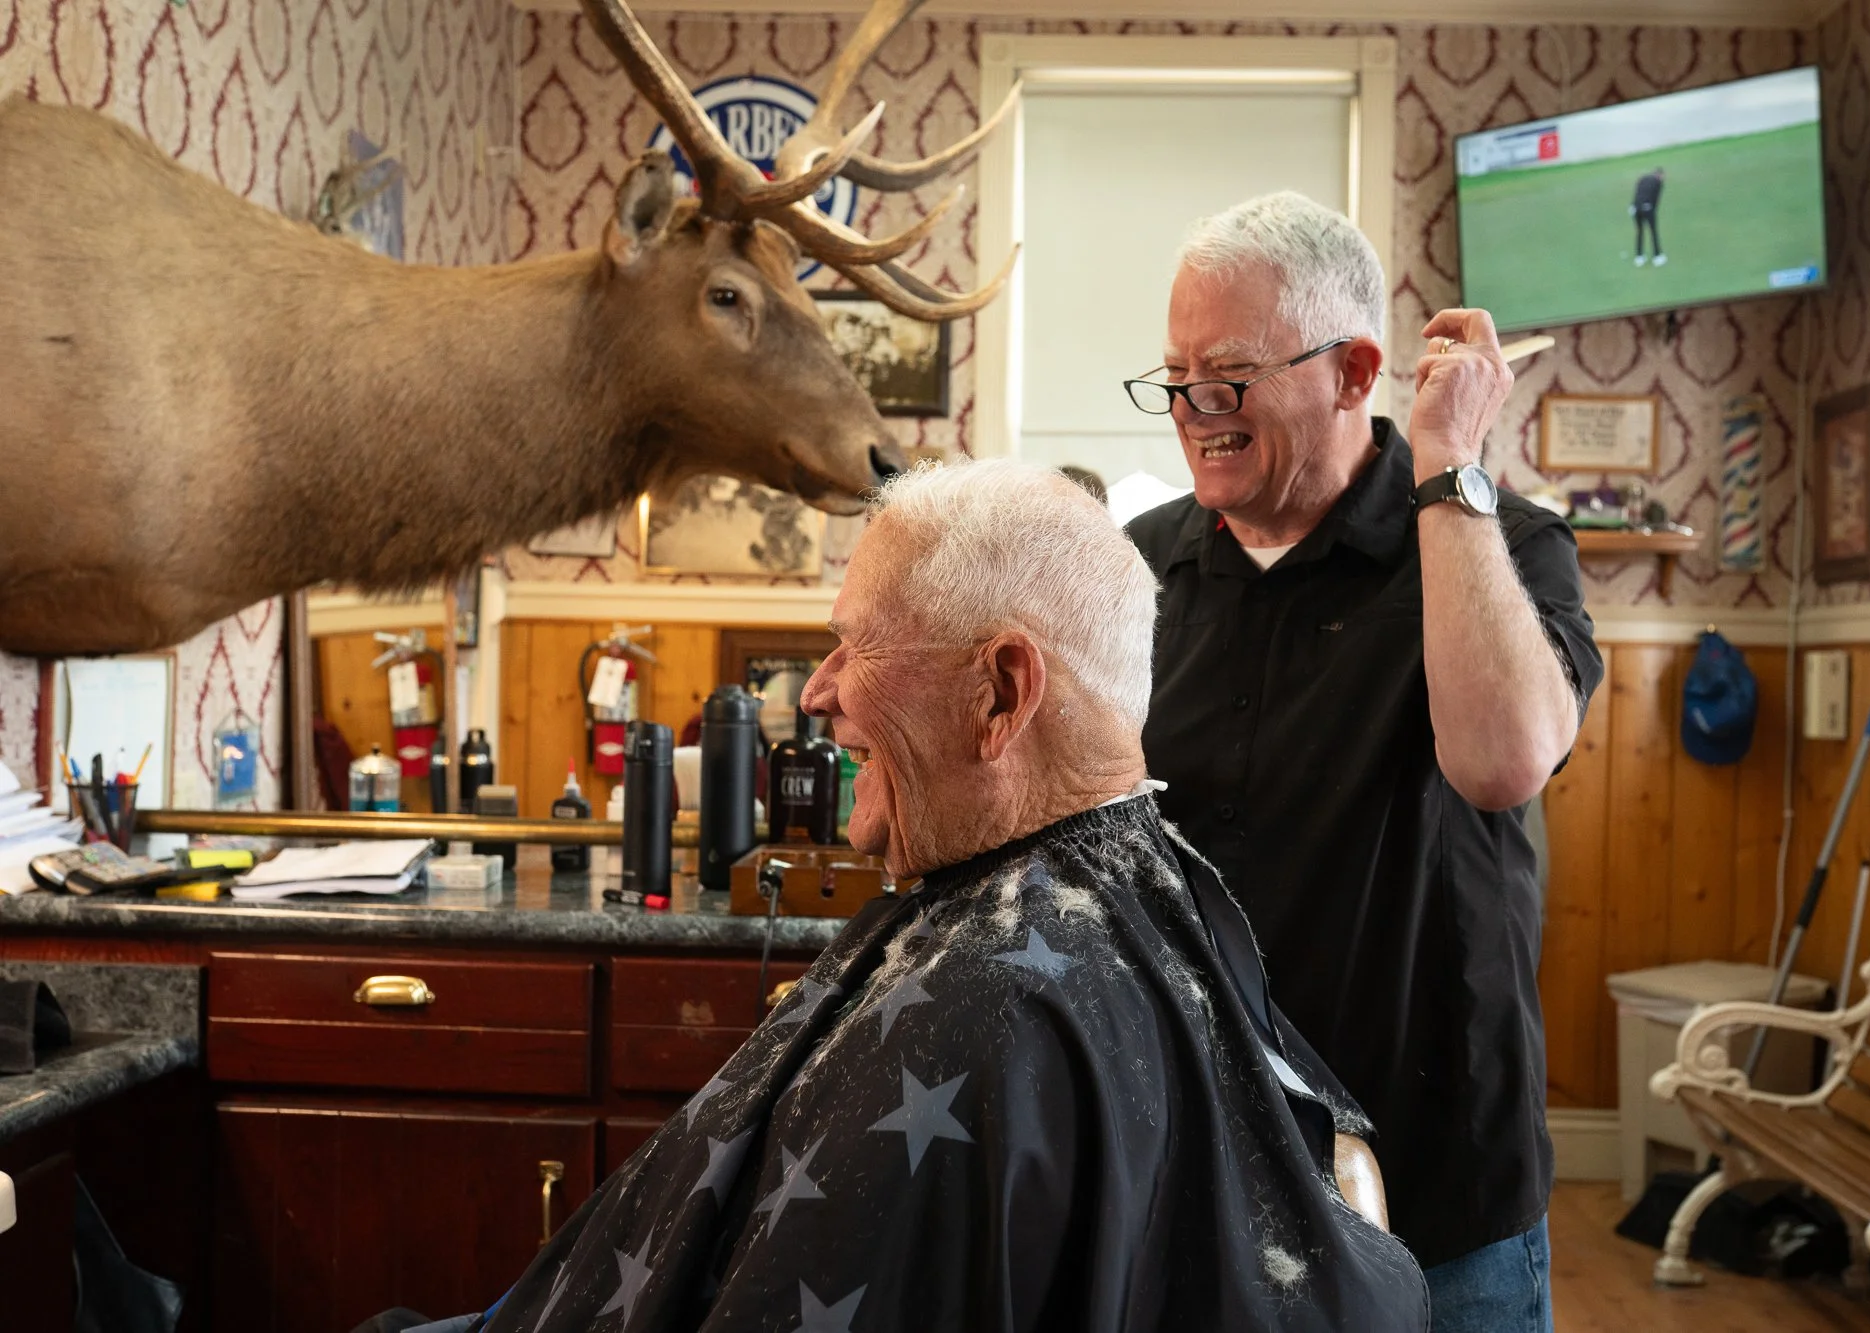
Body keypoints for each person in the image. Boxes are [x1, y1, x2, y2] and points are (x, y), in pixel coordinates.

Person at [395, 460, 1428, 1333]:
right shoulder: (1120, 890)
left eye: (859, 645)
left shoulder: (992, 1013)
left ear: (1000, 694)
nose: (817, 689)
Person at [1123, 191, 1602, 1332]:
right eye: (1176, 374)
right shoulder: (1131, 571)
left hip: (1437, 1198)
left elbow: (1502, 762)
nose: (1195, 409)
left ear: (1352, 373)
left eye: (1229, 372)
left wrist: (1448, 465)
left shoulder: (1507, 546)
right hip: (1193, 1174)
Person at [1631, 167, 1666, 266]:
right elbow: (1656, 198)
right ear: (1659, 175)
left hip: (1636, 208)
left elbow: (1637, 193)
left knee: (1640, 231)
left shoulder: (1643, 178)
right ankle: (1657, 256)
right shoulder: (1658, 182)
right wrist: (1653, 210)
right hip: (1648, 208)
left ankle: (1639, 257)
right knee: (1653, 232)